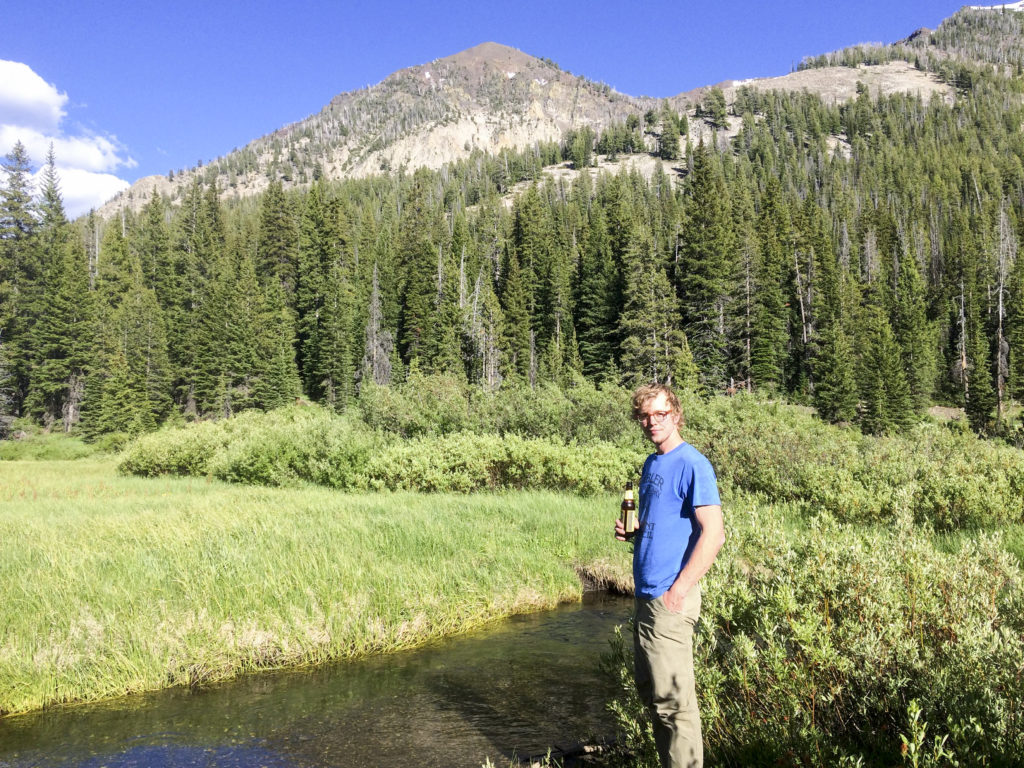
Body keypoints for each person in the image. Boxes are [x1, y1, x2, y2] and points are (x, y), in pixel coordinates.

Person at [614, 383, 724, 768]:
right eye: (645, 416)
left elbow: (714, 533)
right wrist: (635, 532)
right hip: (646, 596)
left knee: (676, 708)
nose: (652, 422)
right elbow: (661, 525)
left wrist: (679, 590)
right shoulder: (651, 464)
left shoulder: (693, 463)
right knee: (655, 699)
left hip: (669, 599)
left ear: (675, 414)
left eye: (660, 414)